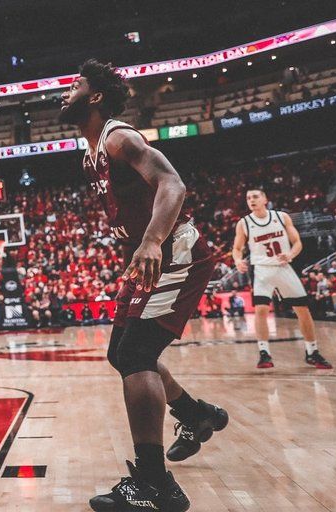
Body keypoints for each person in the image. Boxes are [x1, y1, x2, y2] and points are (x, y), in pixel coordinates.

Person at [59, 60, 228, 512]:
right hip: (151, 258)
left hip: (177, 253)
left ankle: (155, 485)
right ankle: (196, 416)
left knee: (135, 355)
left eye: (73, 85)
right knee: (123, 354)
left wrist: (152, 241)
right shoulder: (91, 151)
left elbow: (172, 183)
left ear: (95, 97)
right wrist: (137, 255)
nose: (63, 93)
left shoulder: (118, 137)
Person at [232, 188, 332, 369]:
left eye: (255, 196)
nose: (251, 200)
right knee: (261, 310)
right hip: (261, 269)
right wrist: (238, 261)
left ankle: (312, 351)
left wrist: (290, 254)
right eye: (248, 198)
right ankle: (264, 353)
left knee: (302, 309)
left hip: (283, 267)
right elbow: (237, 248)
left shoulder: (281, 217)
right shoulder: (244, 223)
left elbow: (297, 242)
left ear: (265, 199)